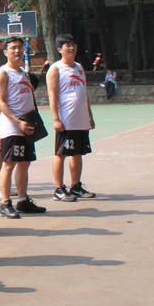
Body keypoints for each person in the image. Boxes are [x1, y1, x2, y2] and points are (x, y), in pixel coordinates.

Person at [0, 37, 48, 219]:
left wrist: (32, 122)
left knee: (25, 163)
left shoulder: (24, 73)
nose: (17, 51)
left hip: (28, 125)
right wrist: (17, 123)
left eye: (20, 47)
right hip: (13, 127)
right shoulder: (3, 73)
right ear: (5, 52)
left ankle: (23, 200)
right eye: (13, 48)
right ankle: (5, 203)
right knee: (9, 164)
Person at [47, 35, 97, 201]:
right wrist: (56, 119)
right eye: (67, 45)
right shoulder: (55, 69)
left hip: (80, 119)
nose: (71, 48)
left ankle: (75, 186)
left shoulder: (79, 67)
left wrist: (89, 116)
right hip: (66, 119)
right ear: (59, 49)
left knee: (77, 153)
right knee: (61, 154)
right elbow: (52, 95)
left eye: (73, 45)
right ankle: (59, 189)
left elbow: (84, 92)